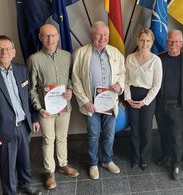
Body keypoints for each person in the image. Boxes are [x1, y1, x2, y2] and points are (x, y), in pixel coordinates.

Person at [27, 24, 79, 190]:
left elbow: (71, 78)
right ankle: (50, 172)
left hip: (64, 107)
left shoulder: (67, 56)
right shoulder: (34, 59)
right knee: (48, 140)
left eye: (53, 35)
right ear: (40, 37)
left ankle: (63, 164)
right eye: (46, 36)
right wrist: (39, 108)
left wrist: (70, 90)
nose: (50, 39)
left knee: (62, 137)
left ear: (58, 37)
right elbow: (31, 88)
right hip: (46, 110)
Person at [72, 21, 125, 180]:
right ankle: (93, 163)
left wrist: (119, 86)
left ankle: (107, 160)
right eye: (99, 34)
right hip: (91, 105)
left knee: (109, 134)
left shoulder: (116, 53)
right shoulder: (81, 53)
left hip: (109, 104)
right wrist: (85, 101)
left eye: (106, 35)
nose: (102, 38)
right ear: (91, 35)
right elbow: (76, 80)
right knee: (93, 135)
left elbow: (123, 74)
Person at [0, 35, 42, 195]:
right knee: (7, 165)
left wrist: (34, 118)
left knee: (24, 160)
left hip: (24, 125)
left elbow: (28, 97)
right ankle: (10, 192)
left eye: (8, 49)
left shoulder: (21, 70)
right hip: (3, 129)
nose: (4, 52)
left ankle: (25, 185)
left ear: (14, 52)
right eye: (0, 49)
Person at [155, 30, 183, 180]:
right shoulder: (158, 59)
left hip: (177, 106)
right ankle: (166, 155)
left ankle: (176, 164)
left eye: (177, 41)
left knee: (176, 137)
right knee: (163, 133)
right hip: (160, 104)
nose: (174, 44)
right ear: (166, 42)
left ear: (182, 43)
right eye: (171, 41)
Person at [124, 29, 162, 170]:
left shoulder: (156, 61)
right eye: (142, 40)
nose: (144, 43)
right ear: (137, 41)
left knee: (146, 129)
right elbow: (125, 80)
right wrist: (128, 98)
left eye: (148, 41)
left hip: (148, 98)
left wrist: (145, 101)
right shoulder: (129, 58)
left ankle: (144, 158)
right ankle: (135, 158)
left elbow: (157, 85)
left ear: (152, 42)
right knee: (134, 129)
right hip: (132, 96)